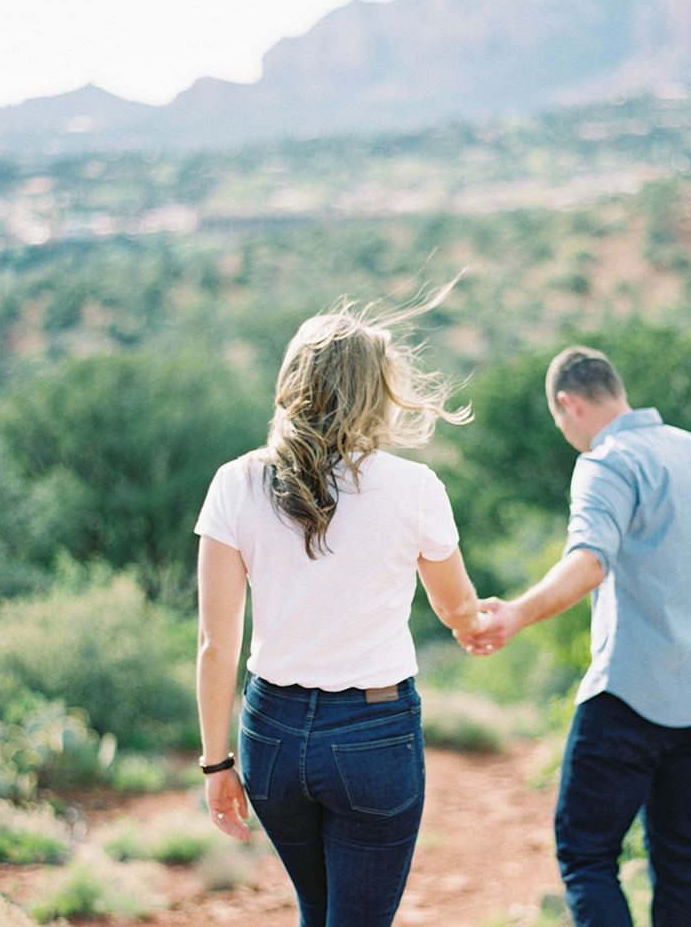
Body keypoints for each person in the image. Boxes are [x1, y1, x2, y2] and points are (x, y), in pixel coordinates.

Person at [194, 286, 486, 927]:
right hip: (373, 736)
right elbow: (456, 608)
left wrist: (217, 763)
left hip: (270, 735)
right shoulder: (415, 488)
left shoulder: (235, 482)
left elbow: (218, 644)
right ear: (373, 394)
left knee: (317, 909)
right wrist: (483, 622)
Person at [459, 346, 691, 927]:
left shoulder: (607, 461)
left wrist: (514, 614)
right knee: (680, 858)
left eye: (561, 422)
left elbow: (590, 560)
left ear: (569, 404)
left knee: (587, 857)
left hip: (627, 698)